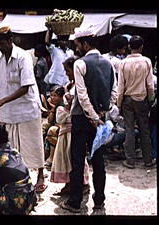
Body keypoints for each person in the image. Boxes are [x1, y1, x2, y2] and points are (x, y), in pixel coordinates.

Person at [0, 23, 46, 193]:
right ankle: (17, 175)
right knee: (12, 147)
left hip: (26, 108)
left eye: (3, 44)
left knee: (33, 142)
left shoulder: (23, 57)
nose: (0, 47)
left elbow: (25, 87)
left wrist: (1, 101)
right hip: (9, 112)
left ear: (11, 40)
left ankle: (40, 174)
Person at [60, 27, 117, 213]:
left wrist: (92, 116)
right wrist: (102, 113)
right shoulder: (108, 63)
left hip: (82, 119)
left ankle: (75, 202)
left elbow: (82, 95)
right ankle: (99, 200)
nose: (76, 48)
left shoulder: (80, 64)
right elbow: (114, 92)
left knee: (77, 161)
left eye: (77, 45)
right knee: (99, 161)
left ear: (85, 44)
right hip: (100, 120)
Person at [51, 56, 90, 196]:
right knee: (67, 159)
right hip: (66, 130)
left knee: (77, 159)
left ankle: (84, 184)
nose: (66, 74)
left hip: (75, 127)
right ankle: (68, 184)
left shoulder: (80, 85)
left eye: (68, 70)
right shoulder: (69, 86)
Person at [117, 35, 155, 169]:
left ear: (129, 47)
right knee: (144, 130)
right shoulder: (147, 62)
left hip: (127, 100)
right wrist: (149, 100)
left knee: (129, 131)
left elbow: (120, 87)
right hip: (142, 99)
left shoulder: (123, 63)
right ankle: (148, 160)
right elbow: (150, 86)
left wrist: (119, 103)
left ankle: (130, 161)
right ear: (141, 47)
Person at [44, 23, 74, 88]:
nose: (64, 42)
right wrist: (49, 29)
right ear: (58, 41)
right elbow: (47, 42)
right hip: (55, 79)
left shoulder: (70, 52)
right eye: (62, 40)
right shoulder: (54, 50)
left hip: (66, 80)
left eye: (65, 40)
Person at [43, 85, 65, 168]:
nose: (52, 98)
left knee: (52, 130)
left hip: (62, 128)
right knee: (44, 126)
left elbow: (60, 122)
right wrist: (52, 108)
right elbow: (50, 121)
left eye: (55, 96)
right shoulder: (56, 106)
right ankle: (43, 153)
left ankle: (51, 157)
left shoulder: (62, 106)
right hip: (56, 125)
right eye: (51, 95)